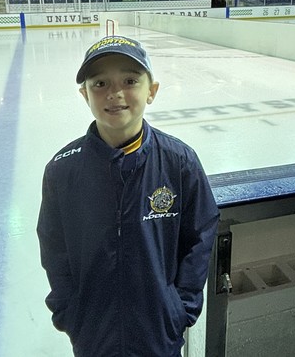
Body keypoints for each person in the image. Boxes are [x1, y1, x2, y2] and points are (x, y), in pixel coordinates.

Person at [37, 35, 219, 357]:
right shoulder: (63, 170)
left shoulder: (179, 162)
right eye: (100, 83)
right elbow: (54, 248)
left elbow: (200, 235)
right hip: (93, 338)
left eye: (130, 81)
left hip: (159, 337)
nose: (115, 93)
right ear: (85, 94)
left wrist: (179, 309)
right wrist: (70, 312)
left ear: (152, 91)